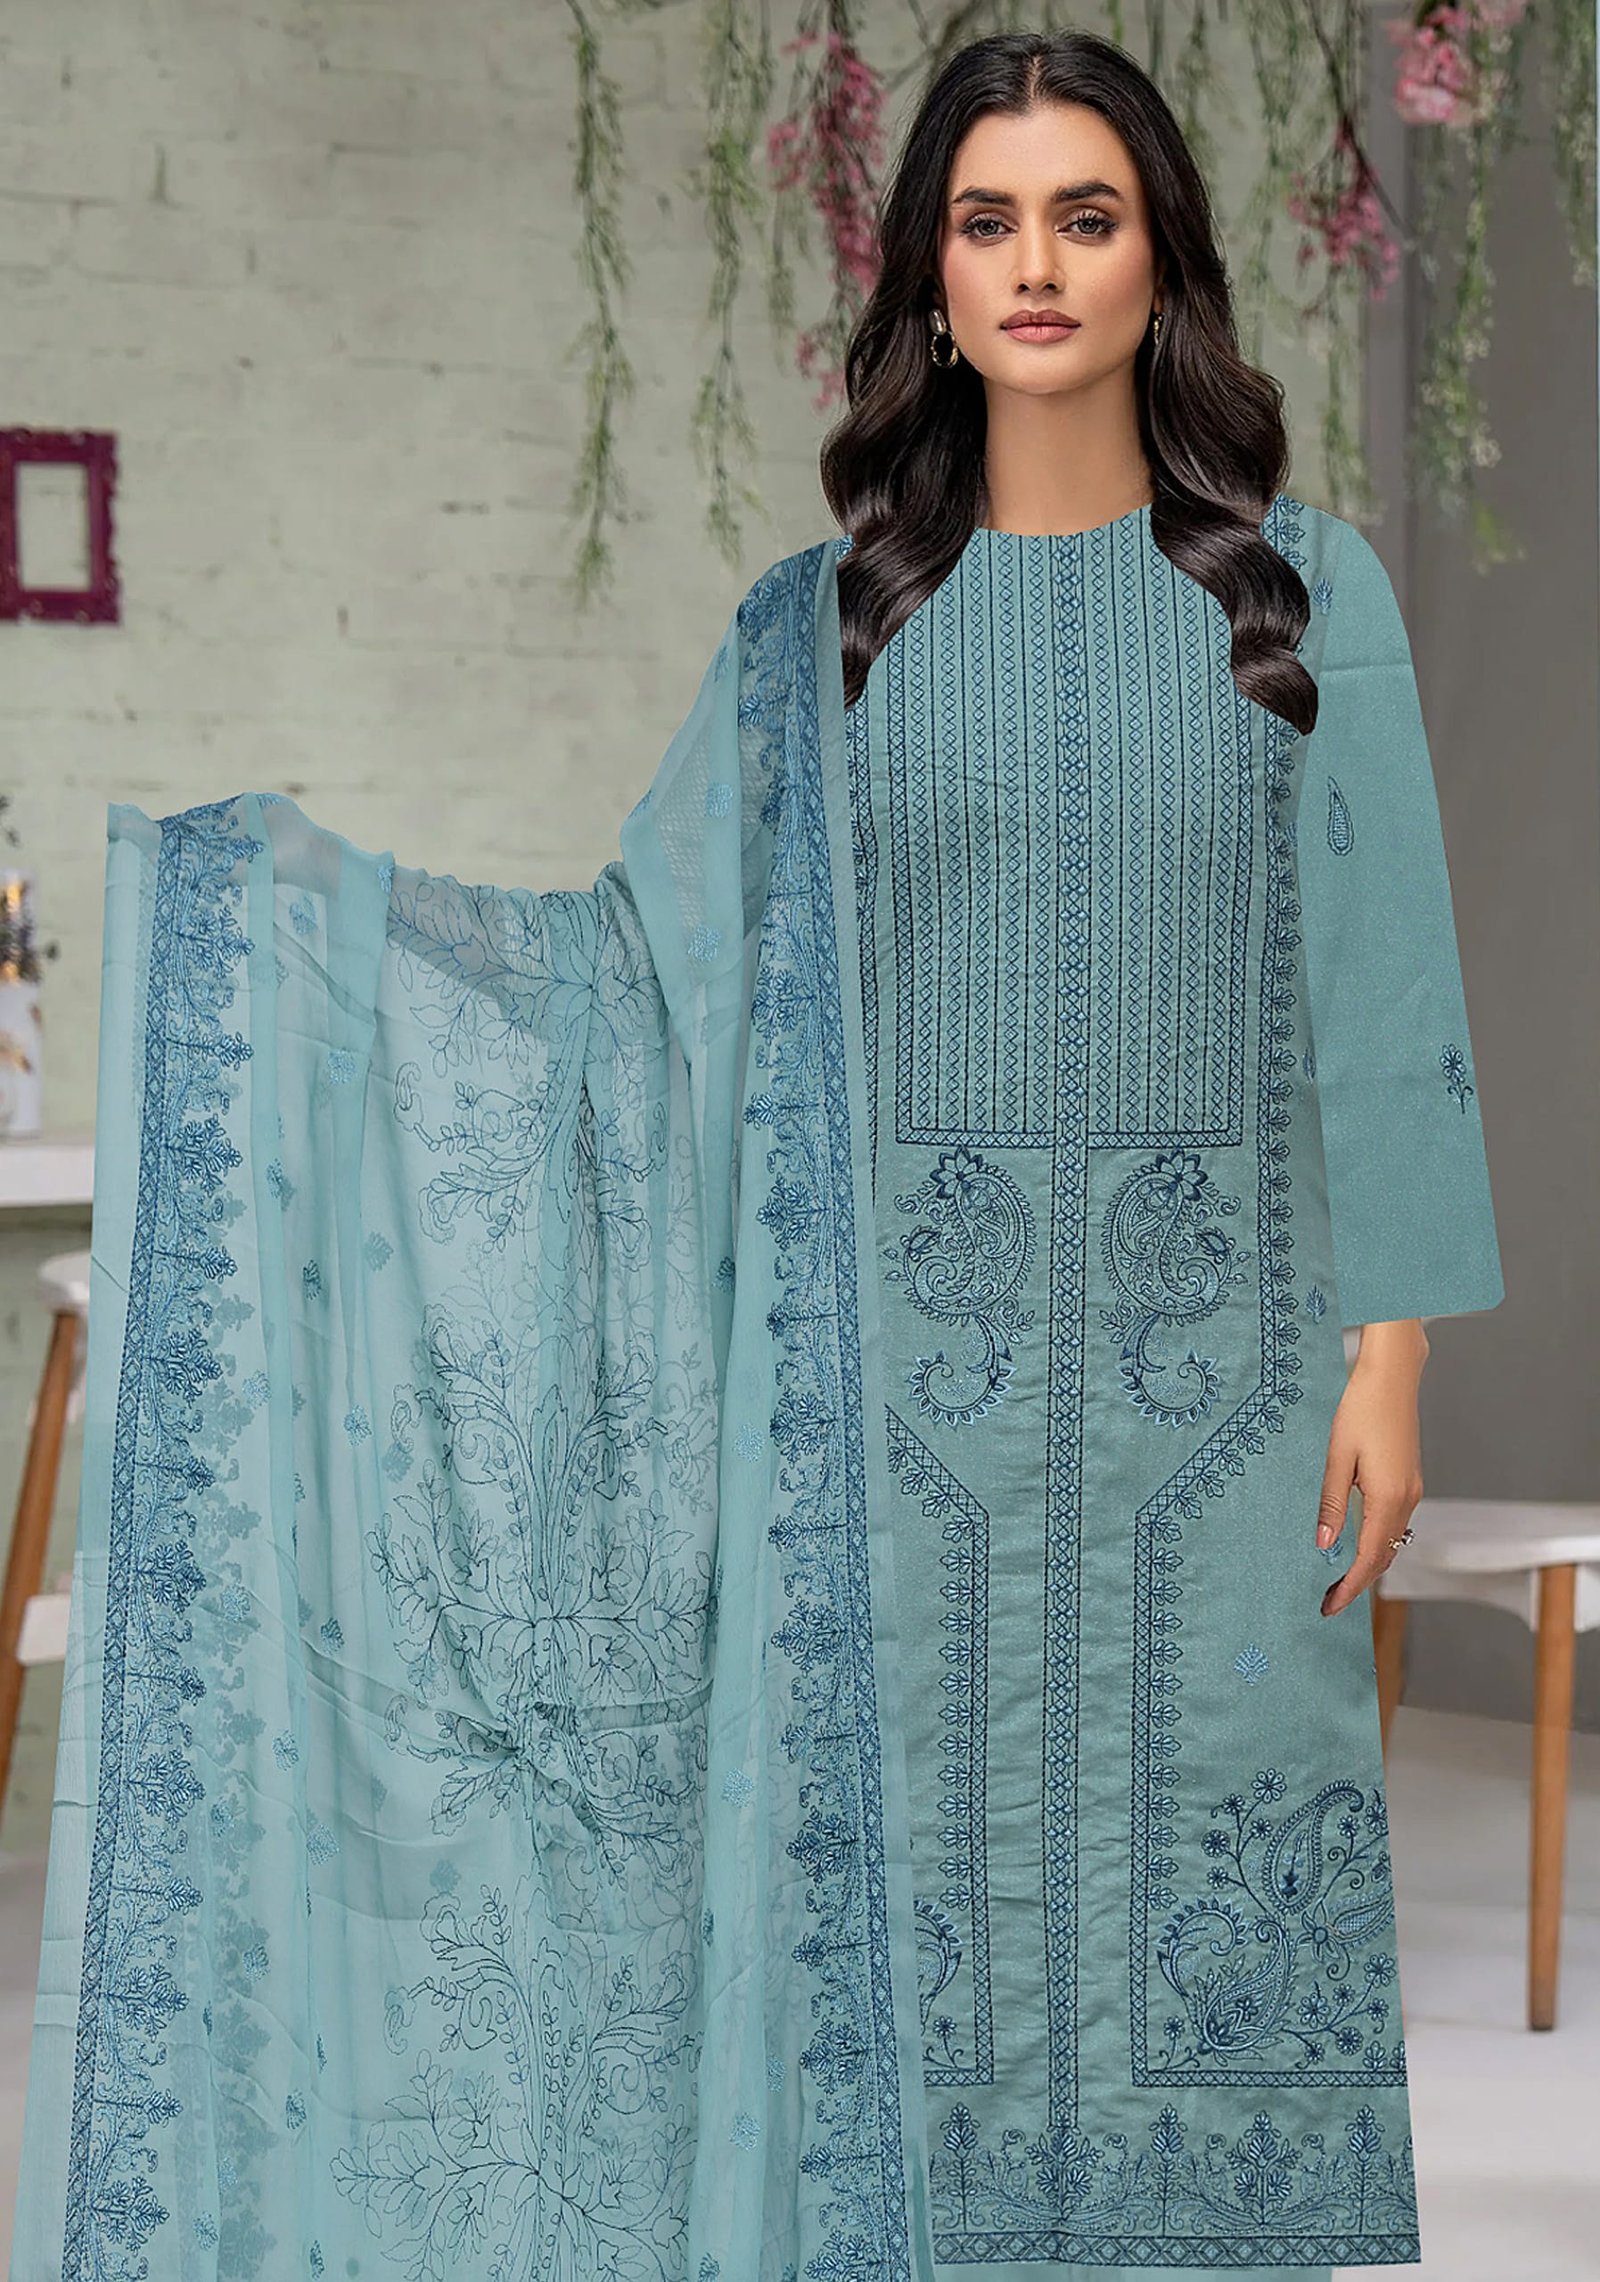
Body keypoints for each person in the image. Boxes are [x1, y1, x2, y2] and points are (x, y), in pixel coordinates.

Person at [9, 27, 1500, 2282]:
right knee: (898, 1925)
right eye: (985, 221)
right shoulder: (821, 632)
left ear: (1161, 264)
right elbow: (641, 983)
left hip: (1225, 1390)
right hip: (888, 1413)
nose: (1034, 265)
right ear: (927, 280)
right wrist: (292, 939)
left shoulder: (1297, 598)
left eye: (1084, 216)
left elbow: (1383, 996)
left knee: (1218, 1857)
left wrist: (1392, 1352)